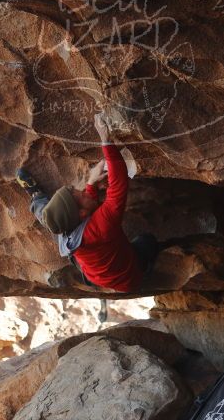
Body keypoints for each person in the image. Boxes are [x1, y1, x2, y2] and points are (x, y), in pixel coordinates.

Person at [17, 113, 160, 292]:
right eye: (82, 195)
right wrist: (105, 139)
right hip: (127, 277)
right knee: (147, 240)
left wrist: (92, 182)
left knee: (47, 217)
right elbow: (119, 183)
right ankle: (146, 269)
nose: (85, 192)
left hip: (91, 271)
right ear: (83, 215)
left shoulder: (65, 224)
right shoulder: (100, 228)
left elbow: (82, 205)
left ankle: (35, 195)